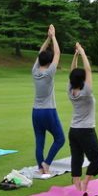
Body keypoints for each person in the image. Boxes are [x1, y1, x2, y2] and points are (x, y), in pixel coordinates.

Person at [68, 42, 98, 193]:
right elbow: (88, 70)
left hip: (73, 131)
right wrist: (82, 52)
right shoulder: (87, 91)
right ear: (82, 79)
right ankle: (86, 182)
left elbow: (73, 71)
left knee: (77, 157)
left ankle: (76, 182)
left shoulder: (70, 90)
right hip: (86, 131)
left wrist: (75, 55)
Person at [32, 24, 65, 175]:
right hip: (48, 111)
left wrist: (48, 38)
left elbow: (41, 53)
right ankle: (47, 163)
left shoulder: (35, 71)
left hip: (36, 112)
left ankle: (40, 167)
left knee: (40, 141)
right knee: (60, 139)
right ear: (50, 62)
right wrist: (54, 36)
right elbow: (57, 53)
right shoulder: (50, 72)